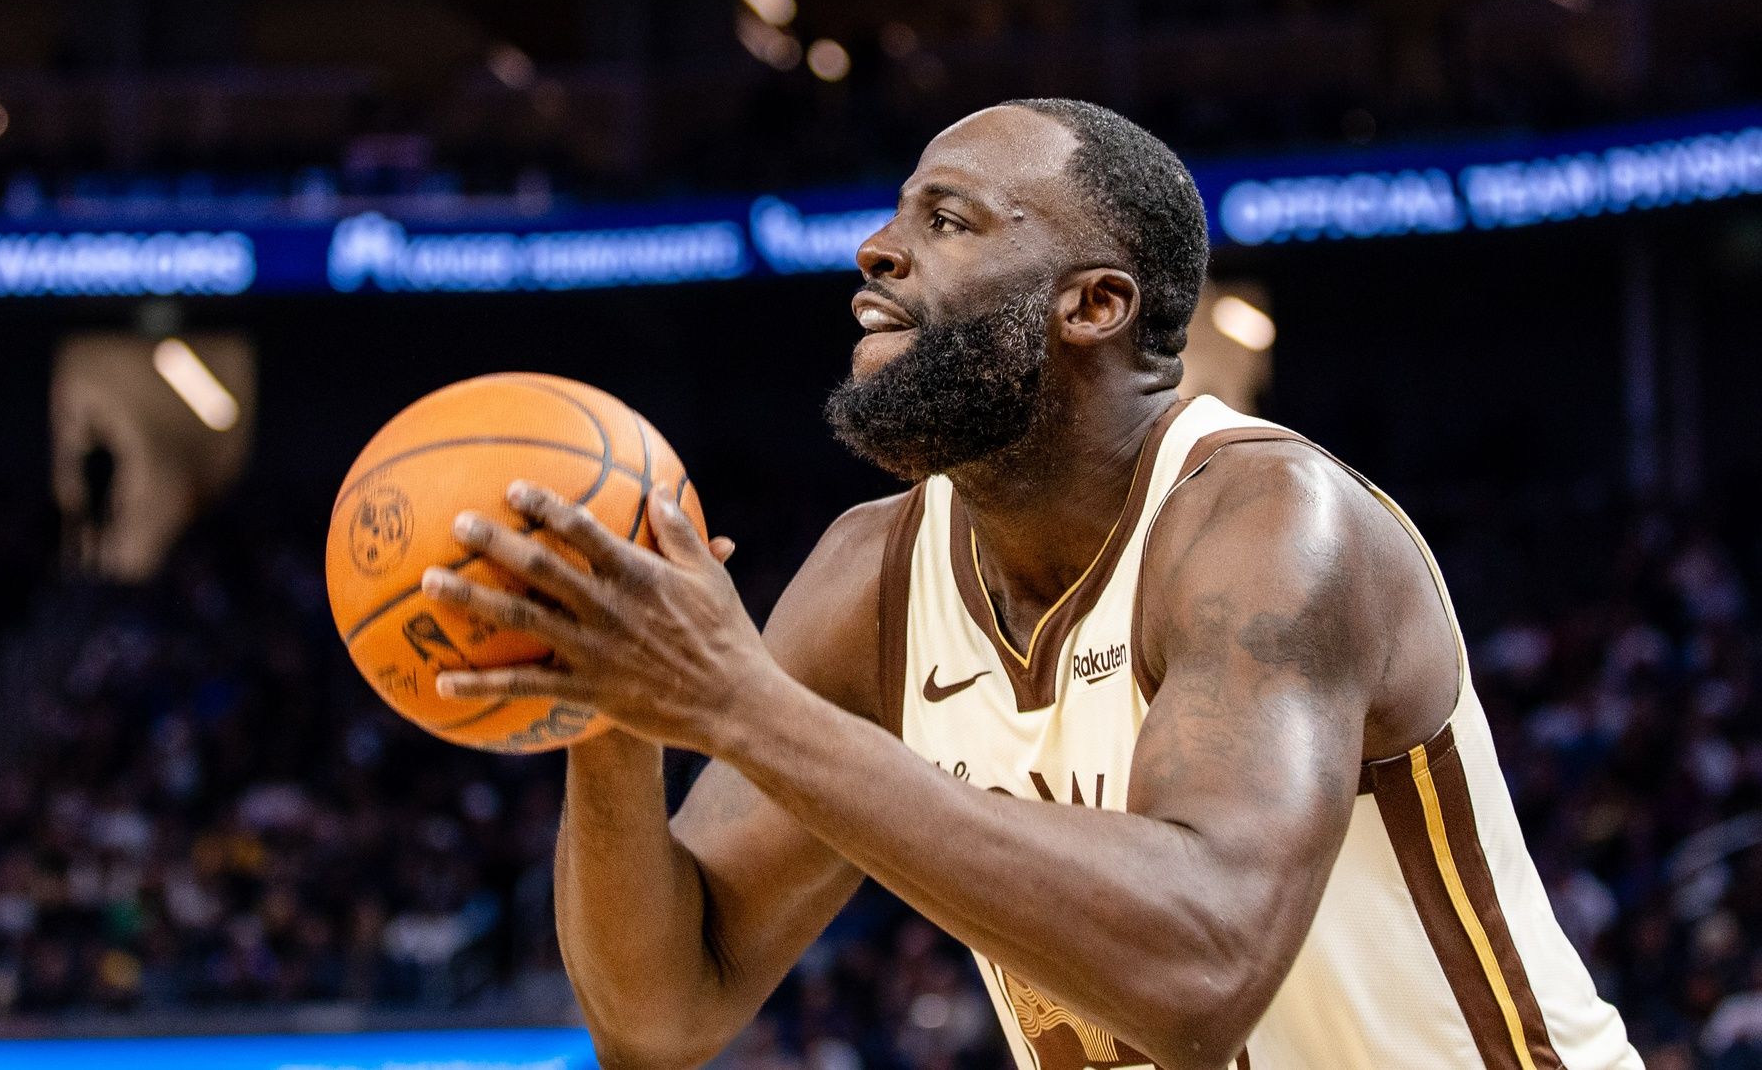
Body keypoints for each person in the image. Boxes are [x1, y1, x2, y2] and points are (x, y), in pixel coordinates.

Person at [421, 99, 1644, 1070]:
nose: (877, 247)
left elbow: (1202, 974)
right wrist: (620, 716)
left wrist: (738, 703)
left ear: (1094, 303)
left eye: (947, 220)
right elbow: (661, 1018)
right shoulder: (873, 577)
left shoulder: (1270, 523)